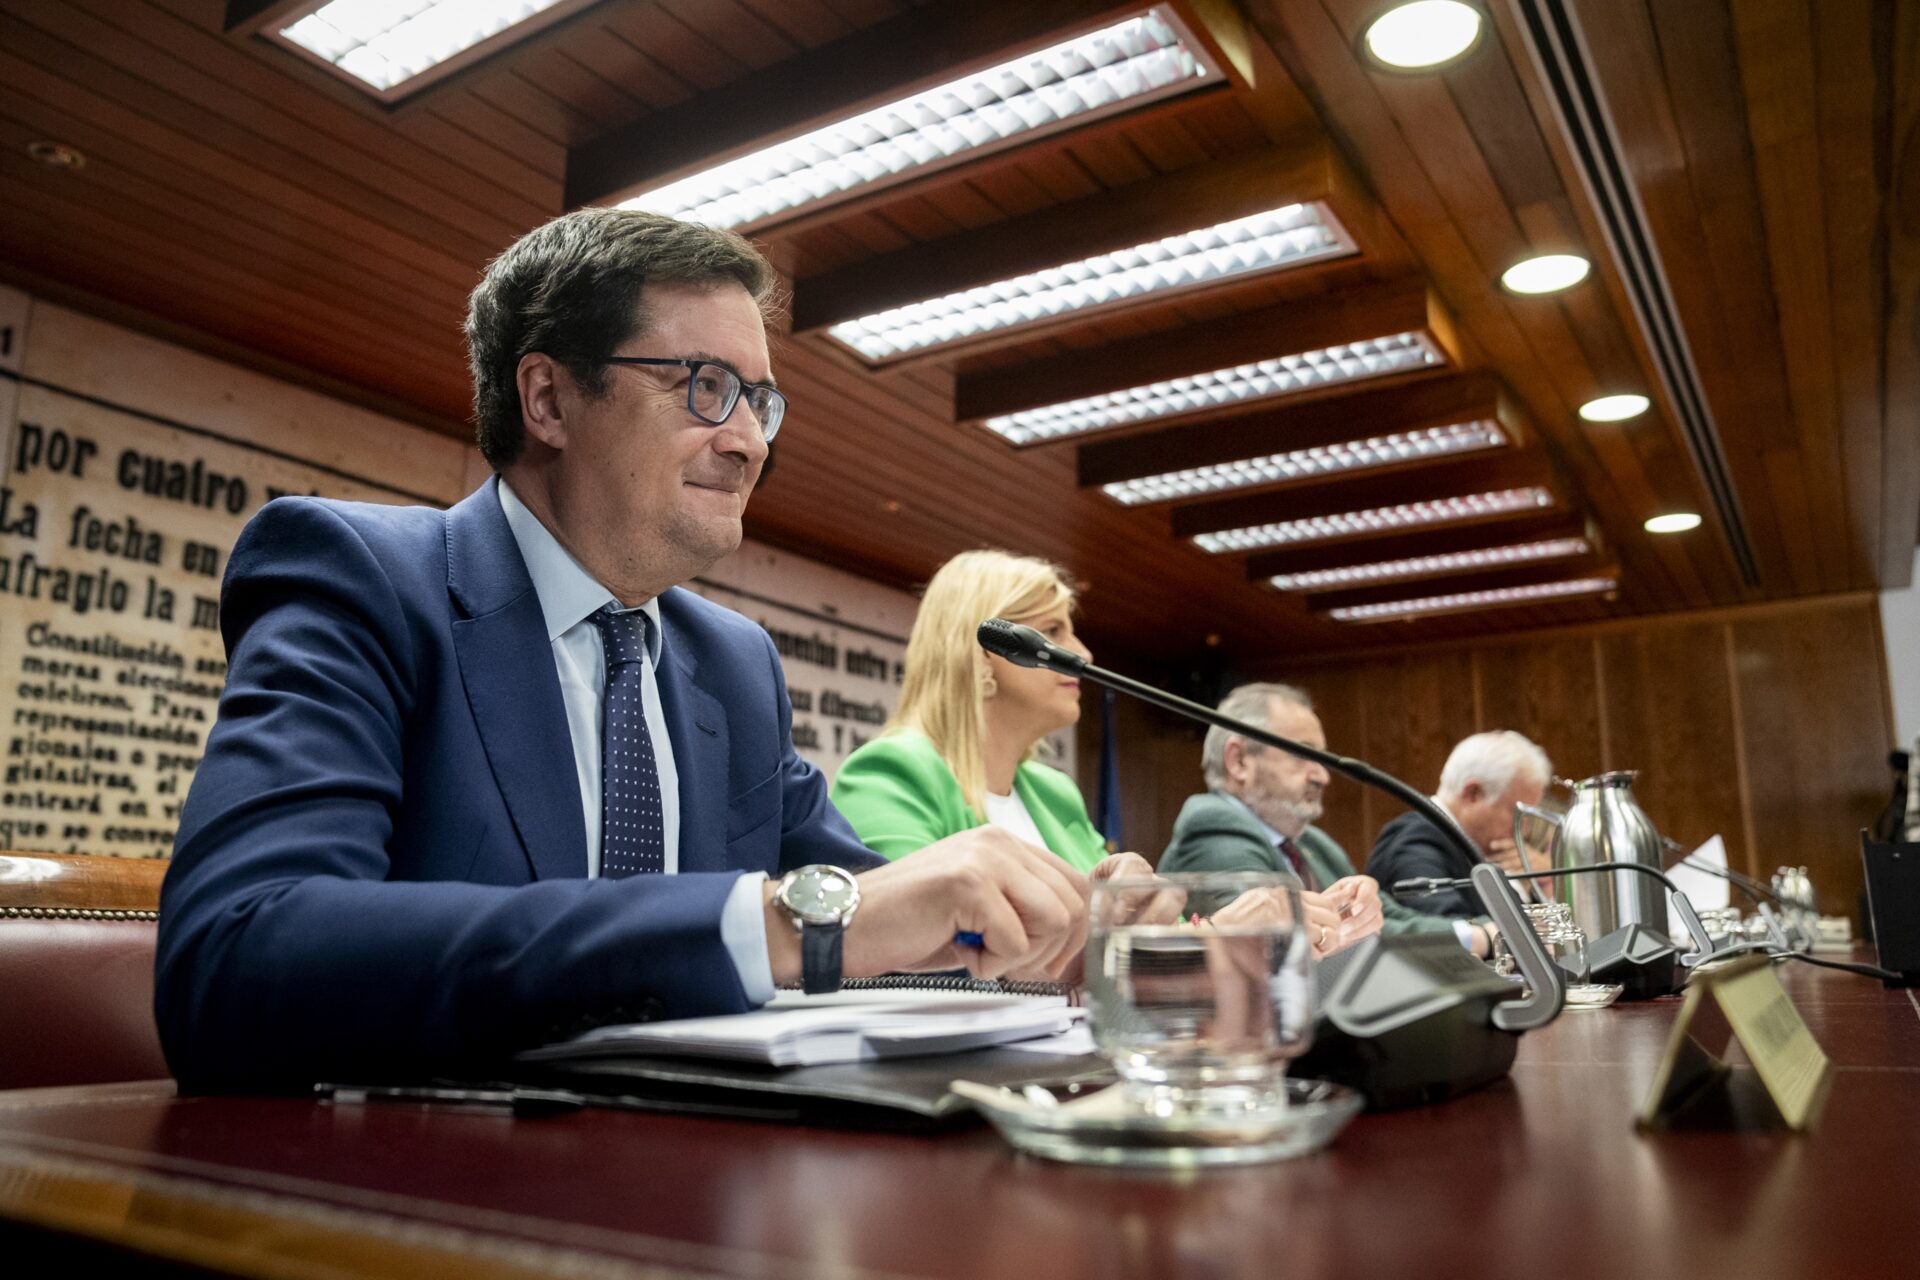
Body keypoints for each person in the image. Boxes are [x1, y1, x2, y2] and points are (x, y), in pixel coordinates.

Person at [155, 209, 1089, 1093]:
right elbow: (235, 957)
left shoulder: (737, 665)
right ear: (549, 398)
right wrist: (770, 923)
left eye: (759, 402)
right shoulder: (361, 577)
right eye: (706, 387)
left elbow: (895, 921)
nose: (749, 443)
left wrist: (1081, 923)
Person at [830, 551, 1110, 873]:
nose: (1083, 654)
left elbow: (1113, 899)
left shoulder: (1056, 793)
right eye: (1052, 631)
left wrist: (1134, 893)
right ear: (989, 649)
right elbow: (911, 904)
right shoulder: (890, 774)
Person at [1160, 683, 1486, 958]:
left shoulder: (1314, 843)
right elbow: (1279, 941)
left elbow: (1388, 918)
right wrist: (1482, 937)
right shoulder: (1212, 827)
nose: (1323, 776)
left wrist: (1480, 931)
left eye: (1322, 758)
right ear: (1239, 760)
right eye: (1304, 754)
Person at [1365, 730, 1551, 923]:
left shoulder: (1469, 845)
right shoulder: (1414, 844)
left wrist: (1539, 885)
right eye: (1516, 814)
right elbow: (1450, 931)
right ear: (1473, 793)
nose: (1524, 830)